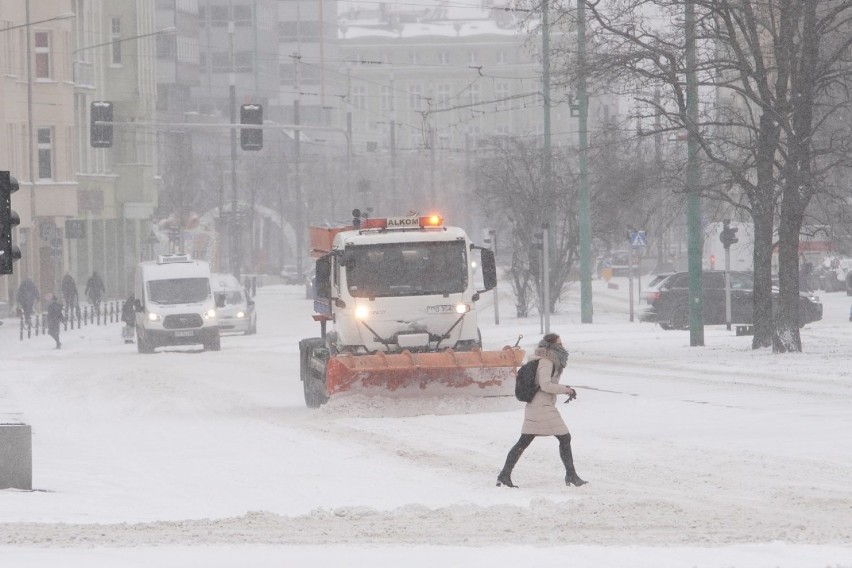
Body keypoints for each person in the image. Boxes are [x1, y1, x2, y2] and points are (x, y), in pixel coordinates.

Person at [497, 332, 587, 488]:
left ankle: (504, 475)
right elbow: (545, 385)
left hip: (538, 406)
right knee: (564, 438)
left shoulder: (545, 360)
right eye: (559, 344)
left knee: (524, 441)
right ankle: (571, 475)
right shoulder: (547, 362)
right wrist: (566, 389)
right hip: (542, 407)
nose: (562, 346)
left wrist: (564, 389)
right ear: (551, 346)